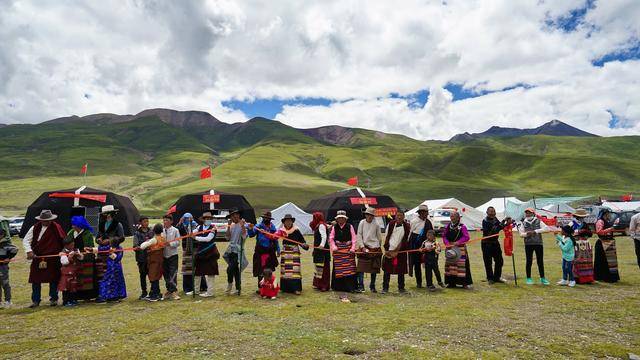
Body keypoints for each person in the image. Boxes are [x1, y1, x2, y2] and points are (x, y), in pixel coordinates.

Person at [23, 209, 65, 308]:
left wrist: (62, 251)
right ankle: (35, 300)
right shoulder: (35, 227)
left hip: (52, 258)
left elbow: (63, 240)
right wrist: (29, 251)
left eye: (48, 220)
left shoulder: (56, 227)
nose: (47, 222)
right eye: (44, 220)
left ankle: (54, 299)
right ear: (40, 220)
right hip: (38, 257)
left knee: (53, 279)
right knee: (35, 280)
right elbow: (26, 240)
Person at [64, 216, 97, 301]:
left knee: (86, 279)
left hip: (85, 258)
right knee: (76, 278)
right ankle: (76, 297)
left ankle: (87, 297)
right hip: (74, 257)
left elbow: (89, 247)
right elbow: (67, 243)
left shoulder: (87, 234)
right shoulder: (71, 232)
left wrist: (82, 254)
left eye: (74, 225)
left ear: (79, 225)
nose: (72, 226)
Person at [276, 214, 309, 295]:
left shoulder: (296, 230)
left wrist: (304, 245)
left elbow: (302, 241)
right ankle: (285, 288)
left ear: (292, 221)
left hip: (294, 253)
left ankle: (296, 289)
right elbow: (274, 237)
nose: (288, 222)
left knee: (295, 271)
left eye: (289, 220)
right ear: (284, 222)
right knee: (285, 271)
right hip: (285, 252)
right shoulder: (281, 231)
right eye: (286, 221)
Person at [329, 210, 358, 300]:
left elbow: (354, 238)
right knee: (339, 269)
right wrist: (333, 247)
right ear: (337, 219)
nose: (340, 219)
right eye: (339, 218)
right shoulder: (334, 227)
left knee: (349, 269)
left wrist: (352, 248)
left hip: (348, 250)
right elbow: (331, 238)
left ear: (345, 219)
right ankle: (338, 287)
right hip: (338, 251)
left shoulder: (350, 226)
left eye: (342, 218)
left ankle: (350, 287)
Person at [248, 211, 279, 292]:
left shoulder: (273, 228)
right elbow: (251, 235)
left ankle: (269, 287)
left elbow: (276, 240)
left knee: (269, 270)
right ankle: (261, 288)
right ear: (263, 218)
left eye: (268, 218)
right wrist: (250, 229)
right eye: (265, 218)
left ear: (270, 219)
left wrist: (278, 250)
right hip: (260, 252)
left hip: (270, 252)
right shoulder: (258, 226)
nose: (266, 219)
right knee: (260, 271)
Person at [518, 208, 550, 285]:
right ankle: (528, 278)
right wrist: (527, 234)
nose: (528, 214)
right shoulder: (523, 222)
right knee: (529, 261)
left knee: (540, 261)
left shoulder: (538, 221)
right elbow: (521, 234)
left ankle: (542, 278)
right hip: (528, 244)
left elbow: (547, 229)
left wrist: (535, 231)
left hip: (538, 243)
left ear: (533, 213)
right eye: (527, 213)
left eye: (529, 213)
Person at [95, 205, 125, 288]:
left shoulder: (118, 224)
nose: (104, 215)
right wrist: (99, 240)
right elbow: (97, 237)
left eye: (106, 214)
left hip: (113, 250)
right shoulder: (101, 225)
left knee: (113, 272)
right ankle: (103, 293)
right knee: (102, 272)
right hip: (102, 252)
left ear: (110, 214)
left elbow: (122, 238)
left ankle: (115, 294)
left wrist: (110, 240)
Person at [381, 210, 410, 294]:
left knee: (401, 271)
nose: (399, 217)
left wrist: (398, 250)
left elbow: (406, 239)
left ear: (404, 217)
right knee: (387, 271)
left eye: (401, 215)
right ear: (395, 216)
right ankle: (385, 288)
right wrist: (386, 249)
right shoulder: (391, 224)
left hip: (401, 251)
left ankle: (401, 288)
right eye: (398, 215)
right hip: (390, 250)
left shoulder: (407, 226)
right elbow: (386, 236)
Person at [442, 211, 473, 289]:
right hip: (450, 248)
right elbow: (444, 236)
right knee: (450, 265)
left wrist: (458, 242)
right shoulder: (447, 227)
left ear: (458, 218)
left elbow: (466, 237)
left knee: (461, 266)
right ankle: (451, 283)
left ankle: (464, 283)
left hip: (460, 248)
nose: (452, 218)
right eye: (451, 216)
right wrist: (447, 243)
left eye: (454, 216)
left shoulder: (462, 227)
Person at [177, 213, 206, 295]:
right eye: (185, 218)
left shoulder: (196, 226)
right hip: (186, 250)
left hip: (196, 249)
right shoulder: (182, 226)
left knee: (198, 268)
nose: (187, 220)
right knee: (187, 269)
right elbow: (179, 231)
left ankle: (201, 286)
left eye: (188, 218)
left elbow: (200, 234)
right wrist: (180, 222)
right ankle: (188, 288)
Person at [356, 207, 383, 293]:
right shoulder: (362, 223)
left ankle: (372, 286)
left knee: (373, 269)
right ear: (365, 215)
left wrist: (377, 248)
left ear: (373, 216)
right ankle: (361, 286)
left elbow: (379, 238)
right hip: (364, 247)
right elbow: (359, 235)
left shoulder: (377, 224)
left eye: (371, 215)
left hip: (374, 248)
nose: (369, 216)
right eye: (368, 215)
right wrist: (362, 246)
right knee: (360, 269)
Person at [194, 212, 219, 297]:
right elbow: (192, 232)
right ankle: (196, 290)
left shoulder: (213, 228)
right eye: (206, 218)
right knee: (197, 272)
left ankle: (210, 292)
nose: (208, 220)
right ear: (203, 219)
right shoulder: (199, 227)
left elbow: (208, 239)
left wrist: (196, 237)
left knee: (210, 272)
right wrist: (190, 229)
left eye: (209, 218)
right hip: (200, 252)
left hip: (211, 252)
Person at [224, 208, 249, 295]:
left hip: (238, 252)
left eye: (236, 214)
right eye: (232, 215)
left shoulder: (243, 224)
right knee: (235, 271)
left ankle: (229, 285)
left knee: (229, 269)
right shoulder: (231, 225)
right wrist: (228, 226)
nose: (234, 217)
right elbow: (227, 238)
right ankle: (238, 288)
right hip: (231, 251)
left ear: (238, 215)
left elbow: (244, 236)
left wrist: (242, 226)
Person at [96, 235, 126, 303]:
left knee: (115, 281)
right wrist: (99, 244)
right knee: (109, 281)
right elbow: (101, 249)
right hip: (110, 267)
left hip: (116, 268)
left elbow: (118, 258)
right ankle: (109, 296)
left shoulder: (119, 249)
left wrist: (112, 254)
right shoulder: (110, 247)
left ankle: (115, 296)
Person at [139, 223, 166, 302]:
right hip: (160, 260)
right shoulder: (163, 238)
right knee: (157, 276)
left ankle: (155, 295)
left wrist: (145, 242)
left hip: (153, 260)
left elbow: (143, 246)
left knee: (153, 277)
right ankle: (157, 293)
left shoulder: (154, 239)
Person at [593, 209, 620, 283]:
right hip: (602, 243)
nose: (610, 215)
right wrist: (610, 229)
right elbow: (599, 232)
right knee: (603, 260)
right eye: (608, 214)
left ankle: (611, 276)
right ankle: (602, 276)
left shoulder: (607, 221)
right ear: (605, 214)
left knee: (611, 261)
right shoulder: (600, 221)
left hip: (609, 242)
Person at [408, 204, 432, 288]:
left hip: (426, 245)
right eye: (424, 212)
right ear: (420, 213)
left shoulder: (428, 222)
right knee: (417, 265)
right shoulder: (414, 221)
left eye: (426, 212)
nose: (425, 214)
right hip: (415, 245)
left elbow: (431, 234)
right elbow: (410, 234)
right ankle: (419, 282)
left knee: (428, 264)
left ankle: (429, 282)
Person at [481, 207, 505, 284]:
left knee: (499, 261)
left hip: (495, 242)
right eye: (491, 211)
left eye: (494, 211)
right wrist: (502, 223)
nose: (492, 213)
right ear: (487, 212)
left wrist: (506, 223)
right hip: (486, 243)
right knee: (488, 262)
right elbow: (493, 231)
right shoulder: (485, 221)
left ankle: (497, 277)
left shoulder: (495, 219)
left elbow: (499, 227)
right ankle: (490, 278)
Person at [571, 209, 594, 284]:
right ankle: (576, 277)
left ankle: (587, 277)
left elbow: (590, 233)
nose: (582, 218)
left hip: (585, 244)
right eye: (581, 217)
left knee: (586, 260)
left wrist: (584, 231)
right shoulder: (572, 224)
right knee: (576, 260)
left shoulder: (585, 224)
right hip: (576, 244)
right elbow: (569, 233)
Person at [58, 237, 83, 306]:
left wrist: (79, 255)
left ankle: (73, 300)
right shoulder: (63, 252)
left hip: (74, 271)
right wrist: (69, 257)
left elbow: (81, 258)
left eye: (73, 244)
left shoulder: (76, 250)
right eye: (71, 245)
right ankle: (66, 301)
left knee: (74, 286)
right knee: (66, 287)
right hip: (66, 273)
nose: (73, 246)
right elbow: (64, 262)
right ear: (66, 245)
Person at [133, 216, 153, 299]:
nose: (146, 223)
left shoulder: (151, 232)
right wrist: (138, 247)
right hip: (141, 258)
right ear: (140, 223)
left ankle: (153, 291)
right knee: (142, 275)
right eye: (144, 221)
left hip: (150, 257)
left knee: (151, 275)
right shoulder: (137, 233)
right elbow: (135, 246)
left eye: (147, 221)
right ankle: (144, 292)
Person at [161, 215, 181, 300]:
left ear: (171, 221)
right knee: (166, 273)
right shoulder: (161, 231)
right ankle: (169, 290)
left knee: (173, 273)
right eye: (164, 220)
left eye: (167, 220)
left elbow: (178, 242)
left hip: (173, 255)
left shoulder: (175, 230)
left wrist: (170, 244)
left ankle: (174, 292)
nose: (165, 222)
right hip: (163, 255)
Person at [310, 212, 331, 292]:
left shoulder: (321, 225)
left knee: (324, 268)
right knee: (318, 267)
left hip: (322, 250)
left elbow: (324, 236)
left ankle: (324, 285)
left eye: (315, 217)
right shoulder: (319, 225)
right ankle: (318, 284)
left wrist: (322, 245)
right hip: (318, 250)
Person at [0, 228, 18, 308]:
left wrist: (8, 258)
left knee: (5, 283)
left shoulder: (5, 243)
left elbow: (15, 249)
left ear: (2, 235)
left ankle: (8, 301)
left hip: (3, 267)